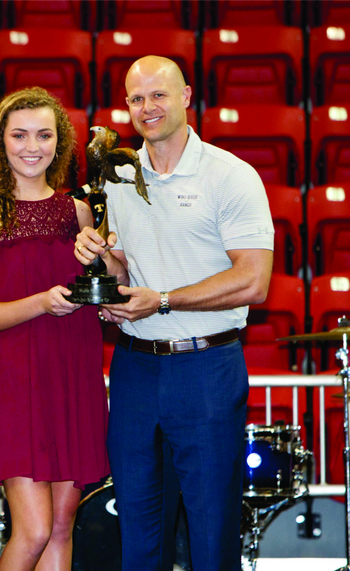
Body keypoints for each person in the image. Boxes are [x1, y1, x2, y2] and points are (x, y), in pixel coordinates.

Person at [74, 56, 274, 570]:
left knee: (211, 535)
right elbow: (126, 275)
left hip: (205, 367)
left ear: (186, 96)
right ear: (126, 107)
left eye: (159, 95)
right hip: (135, 368)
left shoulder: (231, 176)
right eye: (137, 99)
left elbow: (253, 280)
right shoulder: (116, 177)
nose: (148, 107)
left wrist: (161, 299)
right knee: (138, 535)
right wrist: (103, 263)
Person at [0, 87, 110, 570]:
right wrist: (41, 303)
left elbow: (101, 291)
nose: (31, 146)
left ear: (59, 142)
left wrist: (106, 270)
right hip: (10, 379)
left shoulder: (80, 212)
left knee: (62, 527)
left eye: (44, 135)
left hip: (70, 371)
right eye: (19, 135)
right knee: (35, 528)